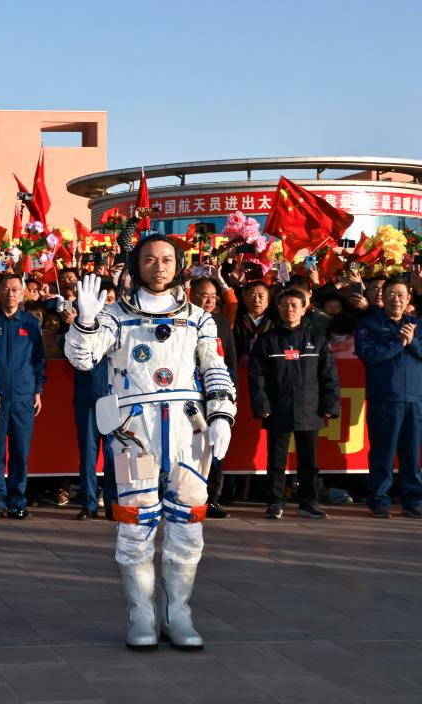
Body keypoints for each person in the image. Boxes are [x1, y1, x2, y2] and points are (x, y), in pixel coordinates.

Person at [65, 234, 237, 652]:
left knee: (187, 526)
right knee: (135, 526)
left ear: (178, 265)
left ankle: (178, 613)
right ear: (135, 265)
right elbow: (83, 359)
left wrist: (221, 415)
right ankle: (141, 614)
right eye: (149, 259)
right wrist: (85, 320)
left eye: (166, 259)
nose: (159, 266)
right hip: (134, 435)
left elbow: (215, 367)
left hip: (187, 432)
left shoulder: (198, 318)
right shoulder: (114, 316)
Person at [248, 288, 340, 519]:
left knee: (309, 461)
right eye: (284, 305)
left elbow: (329, 375)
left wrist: (330, 406)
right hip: (277, 408)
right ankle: (275, 502)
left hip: (309, 409)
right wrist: (262, 405)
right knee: (276, 461)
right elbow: (256, 375)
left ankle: (308, 503)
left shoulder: (316, 339)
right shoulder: (268, 339)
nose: (289, 309)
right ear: (278, 308)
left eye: (294, 305)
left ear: (304, 308)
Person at [355, 278, 422, 519]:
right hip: (384, 398)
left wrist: (412, 342)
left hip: (414, 400)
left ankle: (413, 500)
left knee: (412, 455)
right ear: (383, 297)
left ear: (408, 298)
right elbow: (369, 355)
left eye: (401, 294)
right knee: (383, 453)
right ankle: (379, 500)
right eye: (391, 294)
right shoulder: (369, 324)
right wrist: (398, 343)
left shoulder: (417, 325)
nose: (397, 299)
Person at [0, 274, 45, 520]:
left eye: (15, 289)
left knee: (20, 453)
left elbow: (38, 360)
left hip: (23, 397)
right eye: (6, 289)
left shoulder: (31, 323)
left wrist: (38, 390)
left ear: (22, 293)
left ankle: (17, 502)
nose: (11, 293)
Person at [189, 277, 239, 518]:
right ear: (191, 295)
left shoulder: (222, 322)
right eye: (203, 294)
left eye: (212, 296)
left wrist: (230, 393)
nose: (209, 300)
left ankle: (211, 498)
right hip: (190, 392)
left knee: (216, 446)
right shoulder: (183, 319)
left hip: (216, 392)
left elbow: (230, 360)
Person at [74, 278, 116, 521]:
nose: (104, 305)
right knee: (89, 455)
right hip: (87, 399)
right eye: (100, 300)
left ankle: (113, 503)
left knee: (114, 454)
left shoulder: (120, 328)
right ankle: (89, 504)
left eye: (109, 300)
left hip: (113, 401)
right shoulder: (81, 326)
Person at [233, 281, 273, 363]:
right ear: (244, 299)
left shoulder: (275, 321)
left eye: (261, 296)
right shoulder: (236, 319)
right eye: (252, 296)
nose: (256, 300)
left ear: (268, 300)